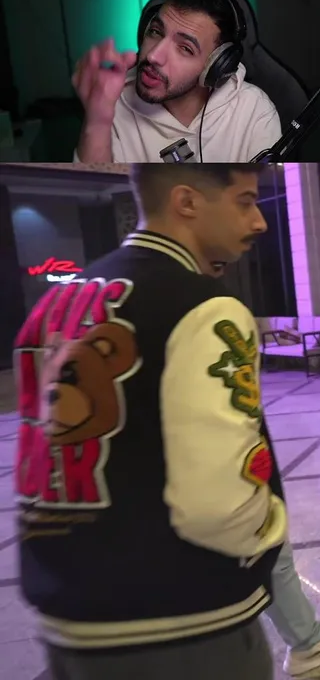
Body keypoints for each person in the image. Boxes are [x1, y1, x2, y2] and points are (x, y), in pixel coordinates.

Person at [12, 165, 286, 679]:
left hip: (68, 614)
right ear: (187, 202)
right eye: (245, 201)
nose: (259, 222)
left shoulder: (55, 302)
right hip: (183, 622)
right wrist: (268, 526)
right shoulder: (202, 306)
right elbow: (218, 505)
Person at [206, 265, 320, 677]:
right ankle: (306, 643)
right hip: (221, 479)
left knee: (273, 553)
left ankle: (306, 641)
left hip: (237, 470)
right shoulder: (202, 311)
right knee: (268, 553)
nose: (255, 230)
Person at [72, 0, 281, 163]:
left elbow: (274, 194)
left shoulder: (254, 111)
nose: (153, 56)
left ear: (216, 66)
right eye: (156, 32)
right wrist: (97, 121)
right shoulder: (112, 102)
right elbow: (95, 192)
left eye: (185, 48)